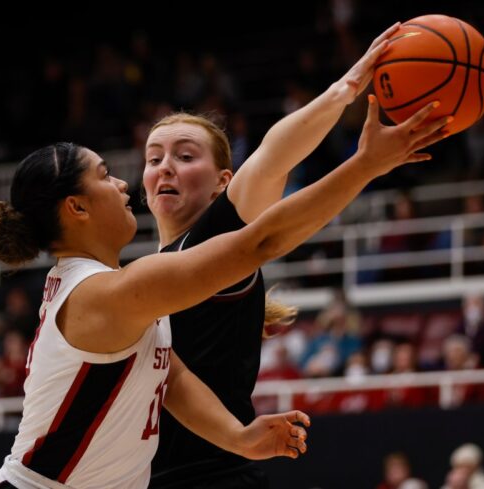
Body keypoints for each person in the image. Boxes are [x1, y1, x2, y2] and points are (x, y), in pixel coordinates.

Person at [0, 88, 448, 488]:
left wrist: (236, 436)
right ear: (77, 208)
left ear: (223, 182)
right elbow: (262, 239)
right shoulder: (117, 289)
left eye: (184, 156)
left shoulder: (125, 284)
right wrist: (365, 165)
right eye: (107, 175)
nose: (124, 182)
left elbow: (173, 377)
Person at [144, 23, 429, 488]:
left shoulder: (211, 242)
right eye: (154, 158)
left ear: (223, 181)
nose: (165, 168)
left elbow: (273, 156)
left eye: (185, 155)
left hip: (210, 478)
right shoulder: (147, 271)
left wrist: (346, 89)